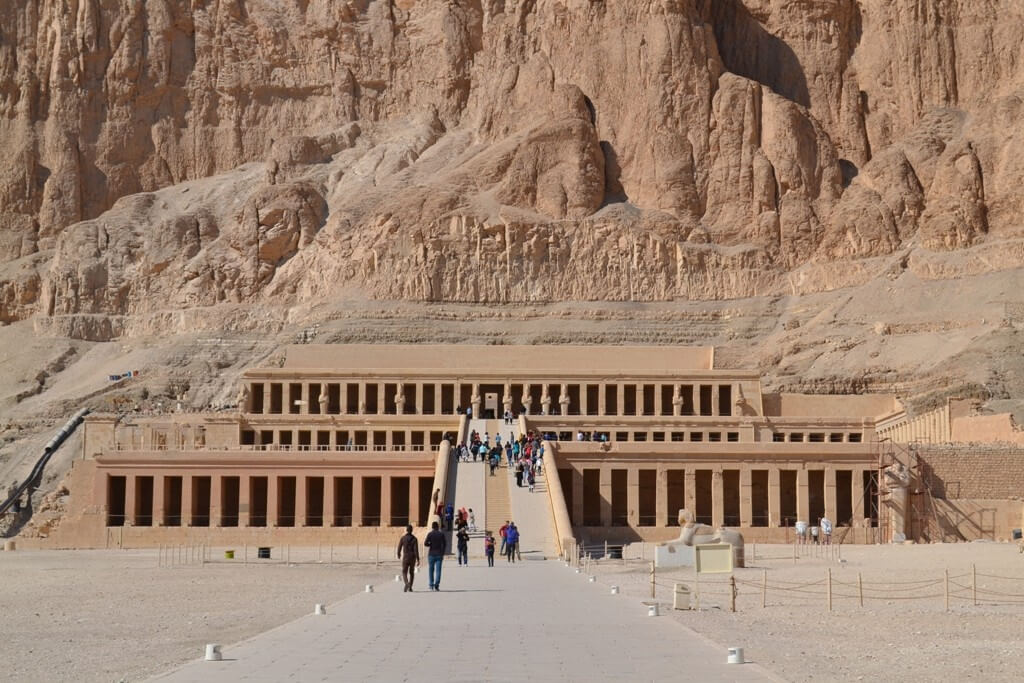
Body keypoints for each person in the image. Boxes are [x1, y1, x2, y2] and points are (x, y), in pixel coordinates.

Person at [396, 524, 420, 592]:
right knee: (411, 572)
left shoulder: (403, 538)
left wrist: (398, 554)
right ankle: (410, 587)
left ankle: (407, 583)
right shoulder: (415, 539)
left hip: (406, 557)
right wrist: (418, 559)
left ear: (406, 530)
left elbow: (399, 547)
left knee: (404, 571)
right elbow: (416, 550)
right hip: (412, 557)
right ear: (412, 530)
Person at [424, 521, 446, 591]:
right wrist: (442, 552)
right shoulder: (441, 534)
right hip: (439, 554)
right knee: (438, 570)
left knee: (431, 570)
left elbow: (425, 543)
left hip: (431, 554)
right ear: (438, 526)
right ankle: (436, 585)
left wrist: (431, 544)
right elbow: (444, 544)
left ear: (432, 527)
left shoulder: (430, 534)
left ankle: (431, 585)